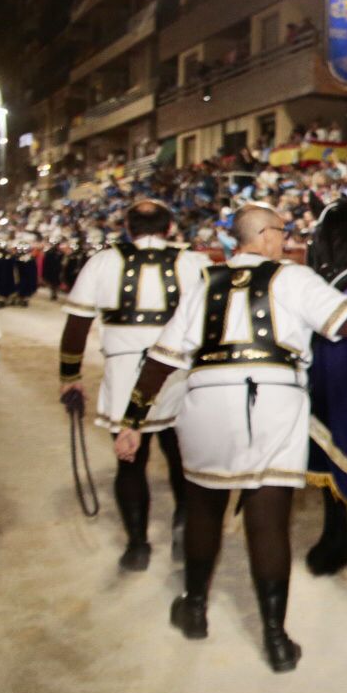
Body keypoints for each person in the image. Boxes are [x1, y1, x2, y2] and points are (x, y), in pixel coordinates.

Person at [112, 204, 347, 672]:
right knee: (268, 522)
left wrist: (133, 420)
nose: (287, 238)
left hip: (207, 401)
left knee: (204, 509)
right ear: (262, 235)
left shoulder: (204, 285)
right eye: (282, 230)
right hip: (274, 402)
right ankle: (276, 639)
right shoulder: (293, 279)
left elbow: (162, 359)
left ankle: (194, 607)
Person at [58, 200, 211, 570]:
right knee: (182, 459)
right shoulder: (195, 263)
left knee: (130, 463)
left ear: (127, 227)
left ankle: (138, 545)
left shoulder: (102, 261)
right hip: (179, 372)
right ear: (171, 225)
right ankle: (182, 524)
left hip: (124, 373)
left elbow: (77, 325)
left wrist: (70, 377)